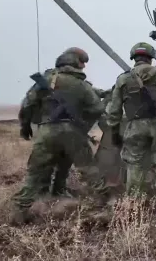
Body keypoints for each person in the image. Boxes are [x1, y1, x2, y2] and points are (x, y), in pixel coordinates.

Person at [11, 47, 112, 224]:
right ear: (75, 62)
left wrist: (25, 126)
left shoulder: (47, 80)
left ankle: (19, 213)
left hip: (46, 132)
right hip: (73, 133)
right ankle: (106, 205)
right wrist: (82, 119)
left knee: (35, 174)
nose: (83, 67)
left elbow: (27, 104)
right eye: (82, 63)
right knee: (90, 170)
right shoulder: (81, 85)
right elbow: (97, 108)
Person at [106, 42, 156, 214]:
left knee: (134, 165)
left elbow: (114, 112)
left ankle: (134, 206)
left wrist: (114, 134)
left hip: (135, 127)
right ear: (151, 58)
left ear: (134, 58)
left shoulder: (123, 79)